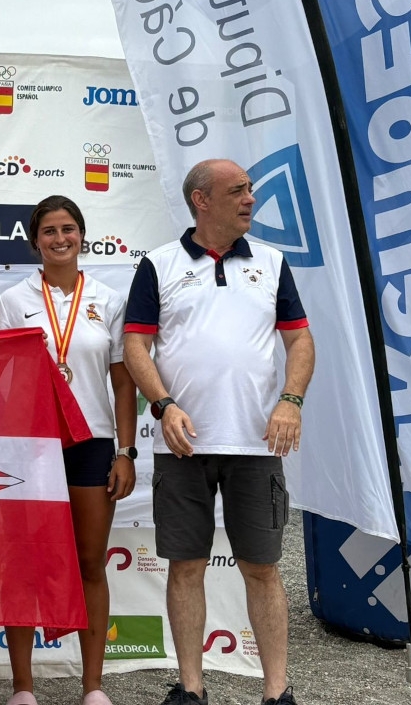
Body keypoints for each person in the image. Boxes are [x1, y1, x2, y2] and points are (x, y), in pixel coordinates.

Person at [122, 159, 314, 705]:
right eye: (238, 191)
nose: (251, 199)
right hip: (182, 443)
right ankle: (190, 689)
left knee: (263, 569)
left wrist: (291, 401)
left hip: (257, 442)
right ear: (201, 200)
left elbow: (300, 341)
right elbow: (135, 344)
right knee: (185, 567)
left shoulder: (273, 262)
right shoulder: (157, 264)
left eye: (250, 189)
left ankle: (277, 693)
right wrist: (162, 406)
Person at [0, 195, 137, 705]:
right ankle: (23, 687)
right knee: (24, 563)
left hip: (92, 442)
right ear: (36, 241)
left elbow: (121, 383)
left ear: (82, 235)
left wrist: (127, 451)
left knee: (90, 561)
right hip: (31, 444)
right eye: (49, 231)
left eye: (68, 229)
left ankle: (93, 686)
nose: (59, 239)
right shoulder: (14, 300)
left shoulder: (109, 300)